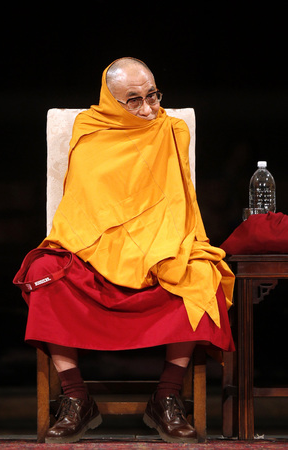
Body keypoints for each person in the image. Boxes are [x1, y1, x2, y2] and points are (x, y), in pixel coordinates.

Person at [14, 57, 235, 444]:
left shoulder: (172, 130)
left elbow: (177, 207)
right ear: (111, 100)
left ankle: (166, 396)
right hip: (94, 252)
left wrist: (156, 248)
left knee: (201, 272)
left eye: (152, 96)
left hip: (158, 248)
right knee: (42, 273)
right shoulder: (90, 130)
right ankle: (76, 398)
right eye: (133, 101)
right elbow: (84, 207)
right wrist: (112, 250)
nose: (148, 109)